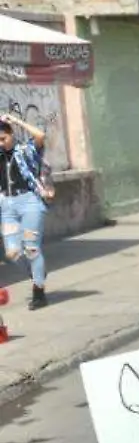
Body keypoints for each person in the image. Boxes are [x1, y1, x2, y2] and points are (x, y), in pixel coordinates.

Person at [1, 112, 53, 310]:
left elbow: (40, 136)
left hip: (29, 202)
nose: (1, 143)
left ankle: (39, 291)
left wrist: (16, 121)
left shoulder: (26, 150)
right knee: (13, 253)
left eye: (3, 139)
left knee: (31, 248)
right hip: (7, 206)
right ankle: (37, 271)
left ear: (11, 135)